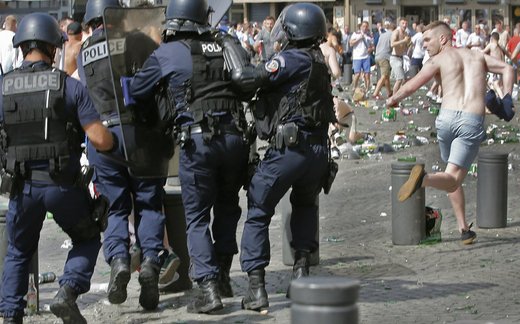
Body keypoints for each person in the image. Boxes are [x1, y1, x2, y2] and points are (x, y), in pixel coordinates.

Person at [129, 0, 249, 314]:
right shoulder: (226, 44)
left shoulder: (168, 53)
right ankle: (223, 276)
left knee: (196, 219)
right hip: (236, 138)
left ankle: (208, 288)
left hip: (199, 142)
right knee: (227, 208)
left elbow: (136, 91)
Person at [0, 13, 115, 324]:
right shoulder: (69, 87)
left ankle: (11, 316)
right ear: (53, 47)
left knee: (17, 252)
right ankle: (67, 291)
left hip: (21, 188)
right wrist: (115, 142)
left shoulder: (4, 87)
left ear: (21, 46)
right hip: (62, 185)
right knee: (88, 236)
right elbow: (98, 138)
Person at [233, 2, 335, 312]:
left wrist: (235, 64)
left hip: (289, 149)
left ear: (294, 30)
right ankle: (301, 274)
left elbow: (251, 78)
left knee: (259, 208)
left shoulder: (290, 59)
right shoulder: (319, 60)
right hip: (317, 152)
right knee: (304, 206)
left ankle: (256, 288)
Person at [385, 21, 514, 244]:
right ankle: (422, 180)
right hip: (470, 120)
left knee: (450, 174)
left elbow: (411, 85)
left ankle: (464, 229)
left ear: (443, 39)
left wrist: (393, 99)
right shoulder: (477, 56)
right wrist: (507, 98)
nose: (424, 44)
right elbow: (508, 68)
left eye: (427, 40)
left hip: (445, 120)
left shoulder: (437, 60)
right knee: (452, 178)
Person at [78, 0, 168, 311]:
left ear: (91, 22)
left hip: (104, 139)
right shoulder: (138, 40)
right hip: (141, 133)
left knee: (115, 207)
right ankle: (152, 267)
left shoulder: (82, 52)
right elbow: (158, 80)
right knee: (148, 205)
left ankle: (118, 260)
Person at [372, 21, 394, 99]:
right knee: (384, 76)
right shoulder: (392, 34)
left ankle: (389, 93)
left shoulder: (383, 35)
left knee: (386, 76)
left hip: (377, 56)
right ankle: (376, 93)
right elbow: (392, 45)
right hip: (384, 56)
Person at [349, 21, 373, 91]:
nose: (365, 28)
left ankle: (367, 89)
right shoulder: (355, 34)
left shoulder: (369, 36)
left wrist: (370, 49)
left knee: (367, 74)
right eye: (363, 26)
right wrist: (359, 38)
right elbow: (351, 43)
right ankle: (354, 87)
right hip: (357, 57)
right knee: (357, 74)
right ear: (360, 27)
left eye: (366, 26)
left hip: (366, 57)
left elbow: (372, 46)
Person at [390, 17, 410, 96]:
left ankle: (398, 96)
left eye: (406, 23)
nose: (404, 25)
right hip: (394, 58)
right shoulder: (396, 32)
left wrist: (408, 43)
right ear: (399, 24)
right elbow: (392, 44)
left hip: (401, 58)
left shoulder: (405, 34)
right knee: (400, 79)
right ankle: (393, 99)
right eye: (403, 23)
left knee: (403, 80)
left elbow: (405, 46)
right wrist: (404, 41)